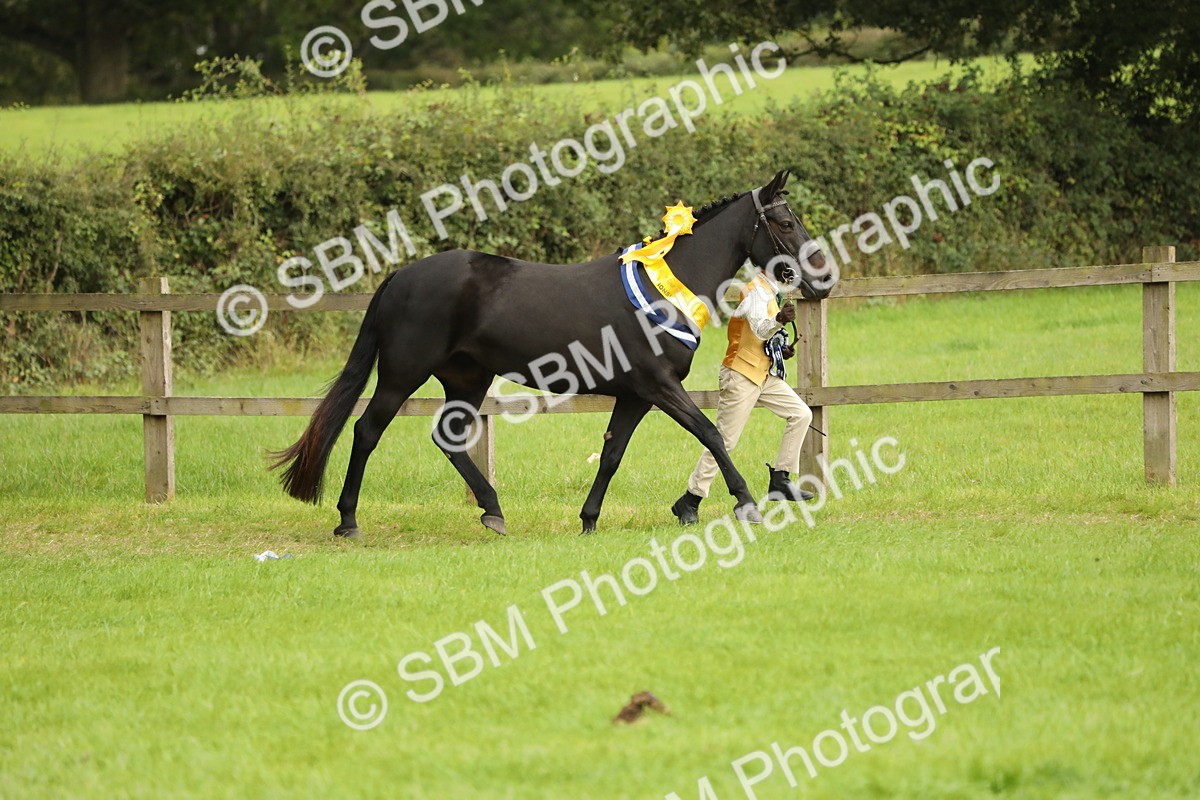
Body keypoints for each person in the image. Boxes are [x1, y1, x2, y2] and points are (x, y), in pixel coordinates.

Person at [671, 263, 814, 525]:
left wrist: (780, 349)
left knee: (801, 414)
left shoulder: (772, 292)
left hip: (764, 373)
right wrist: (780, 319)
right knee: (724, 442)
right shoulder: (754, 291)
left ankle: (781, 479)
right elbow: (759, 327)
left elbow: (762, 337)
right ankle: (690, 500)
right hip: (740, 374)